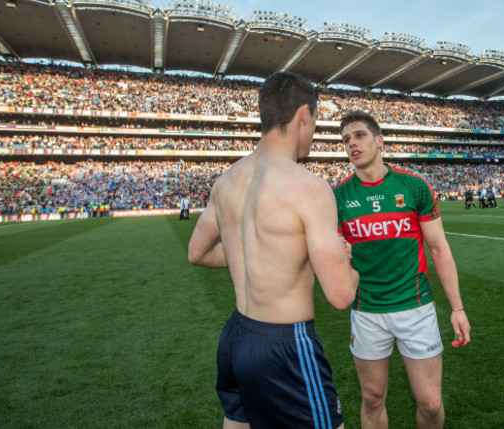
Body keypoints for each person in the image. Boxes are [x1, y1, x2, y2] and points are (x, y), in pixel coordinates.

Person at [188, 72, 359, 429]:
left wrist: (247, 256)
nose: (313, 131)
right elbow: (341, 294)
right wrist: (348, 263)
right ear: (302, 116)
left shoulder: (227, 180)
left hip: (236, 335)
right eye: (314, 121)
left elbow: (198, 253)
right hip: (285, 343)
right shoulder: (308, 187)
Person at [333, 111, 471, 429]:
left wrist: (457, 308)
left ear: (380, 141)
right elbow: (333, 257)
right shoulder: (338, 197)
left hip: (416, 307)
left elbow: (438, 248)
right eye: (346, 140)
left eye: (359, 135)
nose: (352, 143)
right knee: (372, 399)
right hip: (367, 311)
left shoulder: (413, 187)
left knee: (431, 404)